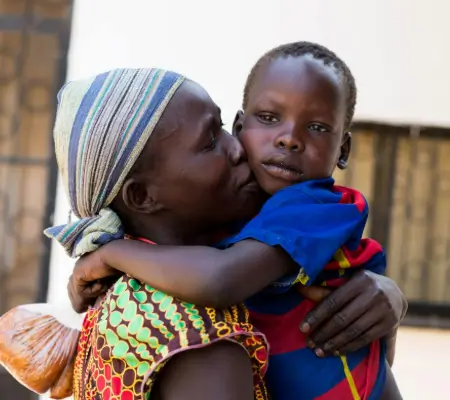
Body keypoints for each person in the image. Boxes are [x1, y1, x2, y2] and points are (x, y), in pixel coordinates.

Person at [69, 43, 405, 399]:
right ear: (242, 124)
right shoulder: (175, 313)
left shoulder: (312, 207)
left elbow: (220, 277)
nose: (290, 139)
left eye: (318, 127)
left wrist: (110, 254)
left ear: (343, 151)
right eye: (269, 118)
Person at [46, 68, 272, 400]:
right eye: (209, 142)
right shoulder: (193, 329)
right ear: (142, 197)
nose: (237, 149)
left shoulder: (128, 296)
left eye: (223, 127)